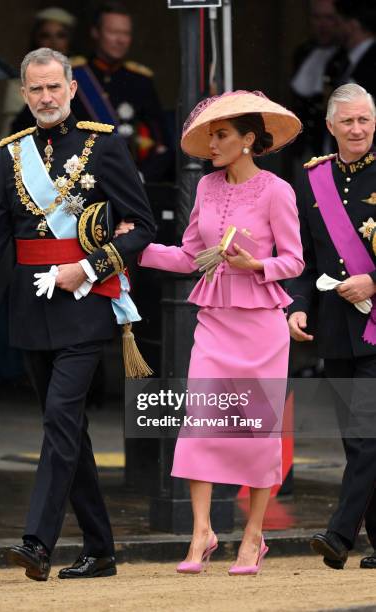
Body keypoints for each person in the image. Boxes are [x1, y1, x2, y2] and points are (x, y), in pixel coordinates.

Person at [0, 48, 155, 581]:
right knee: (69, 431)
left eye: (54, 88)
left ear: (71, 89)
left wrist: (90, 269)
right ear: (24, 94)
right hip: (29, 309)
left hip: (85, 308)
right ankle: (101, 548)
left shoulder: (104, 145)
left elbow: (143, 226)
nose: (46, 98)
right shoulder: (11, 153)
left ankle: (37, 542)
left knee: (61, 422)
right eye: (35, 90)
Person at [135, 91, 303, 574]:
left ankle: (253, 538)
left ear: (249, 140)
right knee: (200, 426)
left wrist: (256, 265)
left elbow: (294, 260)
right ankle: (201, 534)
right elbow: (190, 256)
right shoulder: (205, 188)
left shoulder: (277, 190)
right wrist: (136, 249)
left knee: (256, 434)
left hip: (261, 324)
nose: (213, 142)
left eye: (223, 134)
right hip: (213, 319)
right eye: (211, 134)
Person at [288, 83, 376, 570]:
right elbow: (303, 257)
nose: (357, 129)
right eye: (348, 121)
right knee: (357, 437)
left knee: (367, 437)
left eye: (364, 120)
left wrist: (373, 281)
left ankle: (340, 535)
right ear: (331, 127)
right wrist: (297, 306)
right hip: (337, 329)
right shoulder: (312, 179)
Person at [71, 1, 171, 182]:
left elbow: (161, 143)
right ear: (95, 33)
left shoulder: (140, 81)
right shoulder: (72, 76)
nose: (121, 39)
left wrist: (140, 177)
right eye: (113, 32)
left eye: (126, 33)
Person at [11, 6, 77, 133]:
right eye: (45, 36)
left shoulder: (82, 75)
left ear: (69, 40)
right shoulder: (18, 82)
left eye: (60, 35)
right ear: (36, 39)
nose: (53, 42)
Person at [290, 0, 343, 156]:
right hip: (304, 146)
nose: (323, 25)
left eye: (329, 18)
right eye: (317, 18)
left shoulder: (346, 57)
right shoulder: (302, 52)